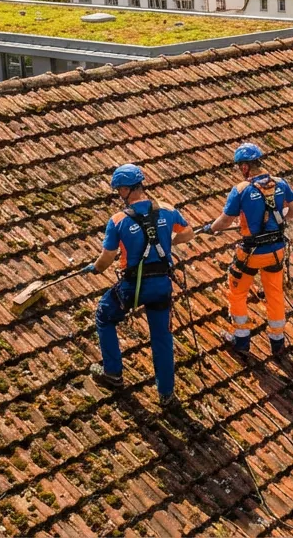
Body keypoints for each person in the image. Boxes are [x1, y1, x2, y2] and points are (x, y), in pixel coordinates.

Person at [88, 163, 195, 410]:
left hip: (133, 286)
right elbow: (188, 233)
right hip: (161, 285)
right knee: (162, 339)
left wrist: (94, 268)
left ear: (126, 189)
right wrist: (170, 241)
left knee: (104, 315)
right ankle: (166, 394)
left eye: (118, 191)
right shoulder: (167, 209)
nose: (118, 195)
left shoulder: (118, 221)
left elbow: (106, 259)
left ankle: (112, 373)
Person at [203, 142, 293, 357]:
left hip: (251, 253)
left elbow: (224, 221)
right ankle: (277, 341)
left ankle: (241, 340)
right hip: (276, 250)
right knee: (274, 293)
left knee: (237, 292)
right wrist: (278, 221)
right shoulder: (280, 183)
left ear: (245, 167)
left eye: (240, 166)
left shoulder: (241, 190)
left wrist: (210, 229)